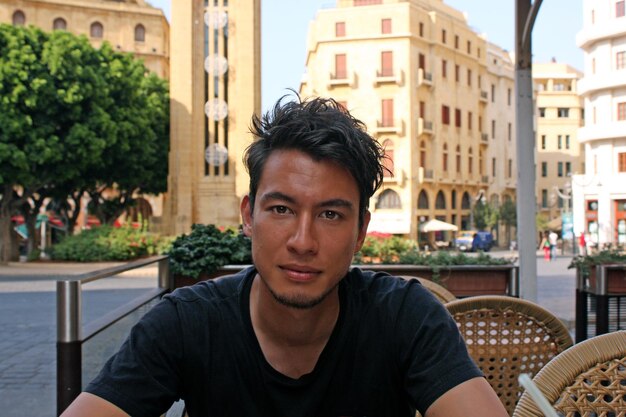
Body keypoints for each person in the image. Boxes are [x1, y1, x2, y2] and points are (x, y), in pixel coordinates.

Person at [61, 95, 508, 417]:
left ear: (360, 233)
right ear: (249, 216)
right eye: (281, 209)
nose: (302, 240)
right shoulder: (187, 322)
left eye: (331, 214)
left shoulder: (405, 316)